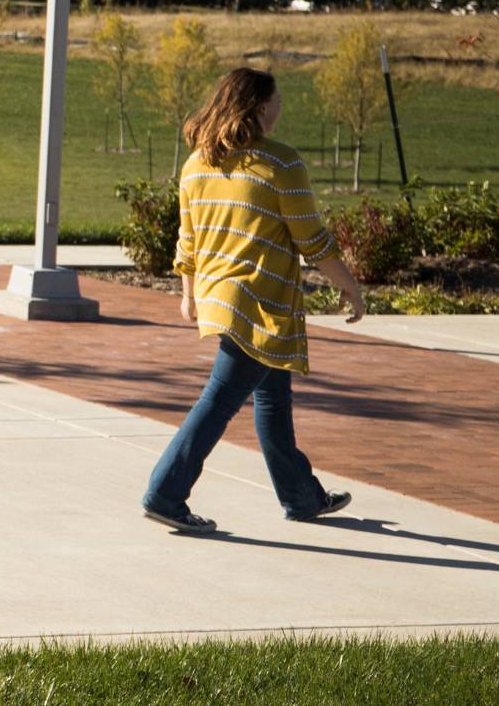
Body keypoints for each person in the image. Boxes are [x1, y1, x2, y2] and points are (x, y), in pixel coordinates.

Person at [141, 65, 365, 536]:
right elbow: (313, 240)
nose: (283, 106)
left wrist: (188, 293)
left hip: (223, 297)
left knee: (273, 398)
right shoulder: (281, 164)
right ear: (262, 107)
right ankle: (165, 492)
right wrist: (350, 284)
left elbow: (189, 240)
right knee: (219, 401)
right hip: (259, 304)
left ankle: (302, 497)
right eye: (278, 99)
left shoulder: (197, 163)